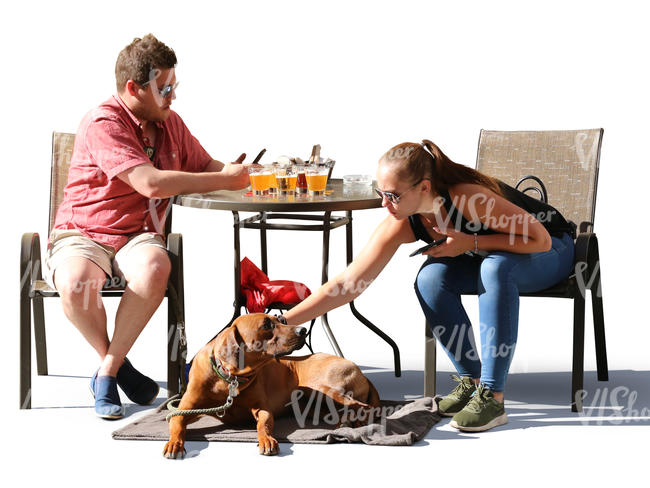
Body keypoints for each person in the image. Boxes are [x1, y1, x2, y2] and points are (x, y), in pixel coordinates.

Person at [282, 139, 576, 432]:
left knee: (495, 267)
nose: (385, 204)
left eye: (393, 195)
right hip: (496, 256)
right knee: (430, 278)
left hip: (553, 252)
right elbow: (349, 283)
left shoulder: (468, 199)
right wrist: (283, 322)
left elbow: (541, 239)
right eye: (381, 193)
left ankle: (492, 396)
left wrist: (471, 242)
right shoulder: (404, 220)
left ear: (424, 187)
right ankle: (471, 382)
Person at [45, 34, 251, 419]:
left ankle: (107, 371)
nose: (172, 96)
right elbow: (150, 183)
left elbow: (205, 166)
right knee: (75, 283)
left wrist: (243, 174)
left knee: (158, 266)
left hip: (137, 234)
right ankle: (119, 365)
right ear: (133, 88)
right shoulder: (103, 121)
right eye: (164, 88)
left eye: (175, 86)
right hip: (83, 231)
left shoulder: (170, 123)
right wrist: (226, 180)